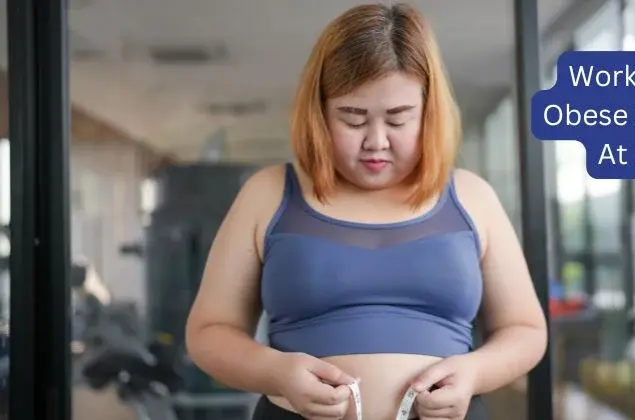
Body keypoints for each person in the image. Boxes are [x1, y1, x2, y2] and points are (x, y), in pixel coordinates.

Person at [185, 3, 547, 420]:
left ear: (429, 113)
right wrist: (277, 372)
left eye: (398, 119)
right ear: (318, 113)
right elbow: (209, 333)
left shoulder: (472, 197)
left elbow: (526, 331)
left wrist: (474, 372)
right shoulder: (267, 195)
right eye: (353, 118)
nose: (376, 141)